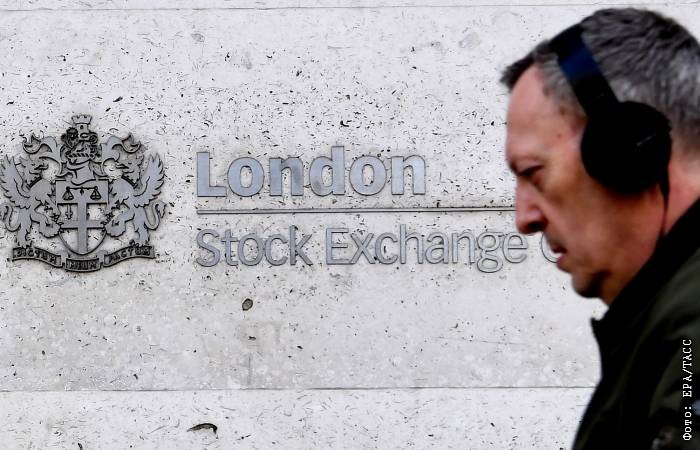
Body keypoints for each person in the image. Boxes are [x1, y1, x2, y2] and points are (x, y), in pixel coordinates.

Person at [500, 8, 700, 449]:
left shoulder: (691, 332)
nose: (524, 219)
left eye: (533, 173)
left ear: (628, 150)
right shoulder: (666, 320)